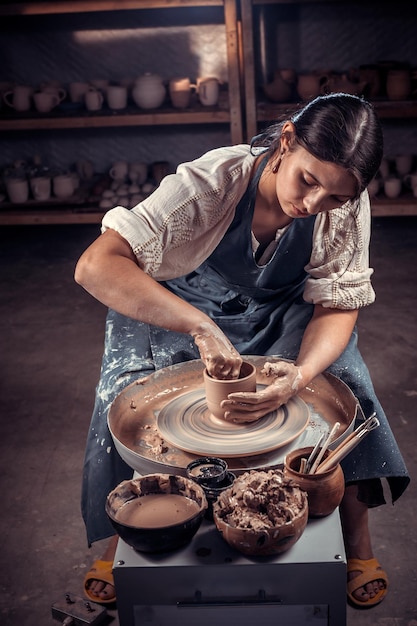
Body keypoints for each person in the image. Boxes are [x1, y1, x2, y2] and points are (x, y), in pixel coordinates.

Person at [75, 92, 410, 609]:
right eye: (309, 180)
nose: (314, 204)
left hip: (280, 304)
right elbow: (96, 265)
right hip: (182, 304)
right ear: (287, 141)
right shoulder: (211, 183)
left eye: (336, 197)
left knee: (347, 385)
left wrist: (298, 377)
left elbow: (338, 307)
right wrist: (201, 327)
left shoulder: (345, 203)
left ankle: (355, 535)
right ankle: (136, 529)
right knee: (132, 395)